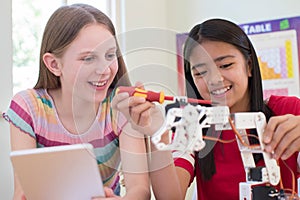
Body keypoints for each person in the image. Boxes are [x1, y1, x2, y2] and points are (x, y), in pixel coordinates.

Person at [112, 18, 300, 200]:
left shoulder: (288, 110)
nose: (215, 79)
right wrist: (157, 131)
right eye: (201, 72)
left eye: (225, 65)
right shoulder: (191, 124)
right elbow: (170, 196)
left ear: (249, 66)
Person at [4, 4, 150, 200]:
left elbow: (139, 191)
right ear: (54, 64)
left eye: (109, 55)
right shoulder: (28, 107)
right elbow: (21, 193)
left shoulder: (122, 107)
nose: (104, 70)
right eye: (88, 58)